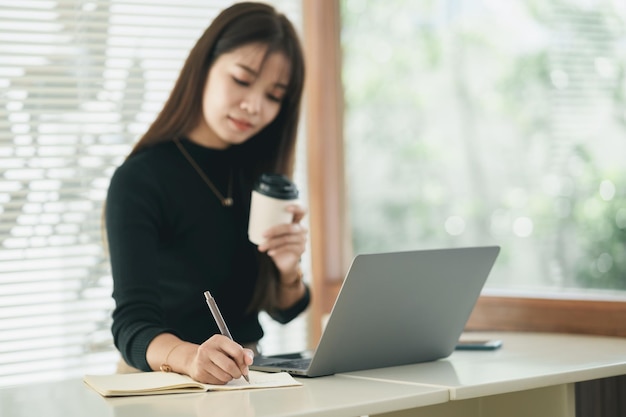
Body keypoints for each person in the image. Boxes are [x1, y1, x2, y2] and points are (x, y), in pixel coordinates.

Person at [104, 2, 310, 385]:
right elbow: (132, 325)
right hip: (164, 379)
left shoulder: (258, 175)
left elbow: (284, 310)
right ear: (204, 66)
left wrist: (288, 269)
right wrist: (192, 357)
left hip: (246, 376)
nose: (254, 106)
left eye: (274, 95)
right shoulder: (139, 179)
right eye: (243, 80)